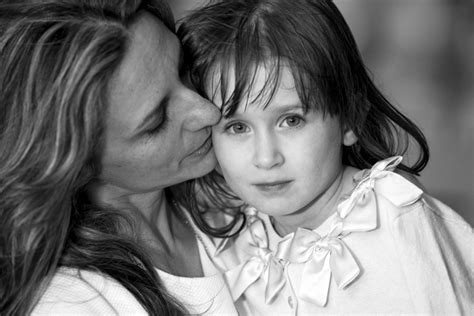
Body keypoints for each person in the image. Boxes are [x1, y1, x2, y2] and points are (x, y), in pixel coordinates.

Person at [177, 0, 474, 314]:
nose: (266, 158)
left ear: (350, 119)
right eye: (238, 127)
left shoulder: (396, 216)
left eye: (292, 120)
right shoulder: (231, 238)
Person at [0, 1, 237, 315]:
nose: (208, 112)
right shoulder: (71, 304)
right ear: (78, 165)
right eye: (156, 121)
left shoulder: (242, 184)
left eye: (183, 69)